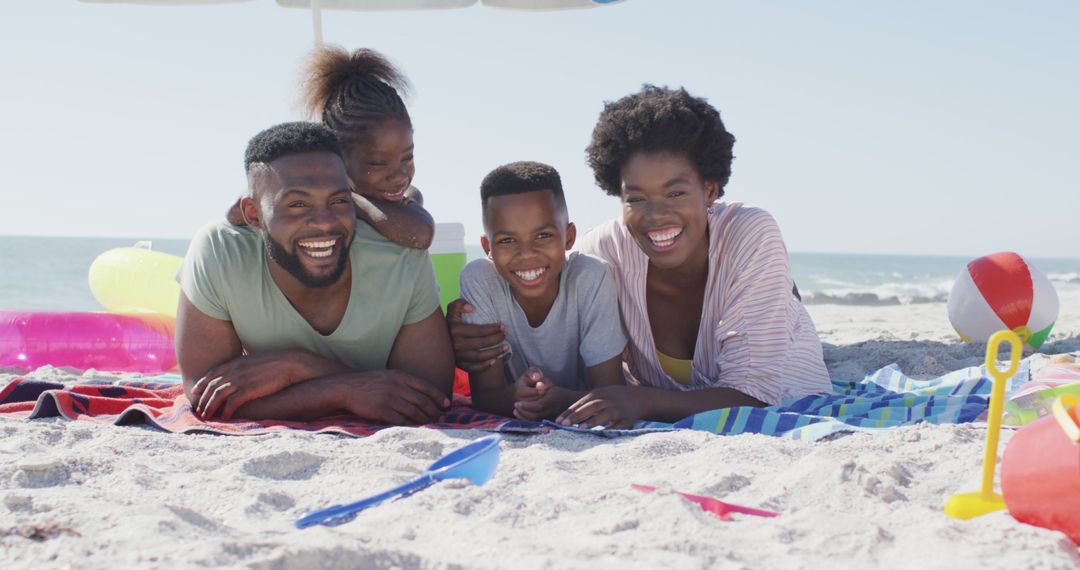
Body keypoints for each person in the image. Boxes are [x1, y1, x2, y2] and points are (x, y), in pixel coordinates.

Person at [449, 86, 830, 428]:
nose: (655, 215)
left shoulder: (749, 231)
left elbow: (753, 396)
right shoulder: (605, 252)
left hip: (788, 393)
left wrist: (641, 400)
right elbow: (537, 272)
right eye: (636, 198)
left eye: (676, 193)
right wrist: (464, 332)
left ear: (710, 189)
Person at [177, 121, 454, 423]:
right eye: (297, 204)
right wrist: (344, 389)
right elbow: (207, 400)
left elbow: (429, 397)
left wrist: (298, 368)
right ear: (254, 215)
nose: (324, 222)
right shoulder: (221, 250)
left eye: (338, 200)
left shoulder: (399, 257)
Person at [459, 161, 627, 421]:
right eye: (507, 241)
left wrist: (559, 399)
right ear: (486, 245)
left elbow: (611, 393)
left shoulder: (591, 277)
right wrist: (518, 395)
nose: (526, 254)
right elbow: (485, 397)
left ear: (569, 236)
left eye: (543, 236)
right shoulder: (481, 280)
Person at [227, 47, 434, 250]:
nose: (399, 176)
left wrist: (350, 198)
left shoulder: (407, 196)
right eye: (378, 163)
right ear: (338, 158)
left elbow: (421, 233)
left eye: (407, 158)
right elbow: (234, 213)